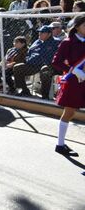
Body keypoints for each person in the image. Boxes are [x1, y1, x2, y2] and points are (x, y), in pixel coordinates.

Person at [52, 14, 85, 157]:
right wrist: (73, 70)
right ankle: (60, 144)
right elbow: (56, 62)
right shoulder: (68, 42)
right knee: (69, 112)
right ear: (77, 26)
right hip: (74, 82)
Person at [12, 26, 60, 98]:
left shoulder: (56, 42)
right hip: (33, 65)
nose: (39, 34)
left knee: (45, 70)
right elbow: (29, 52)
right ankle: (24, 90)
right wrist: (28, 59)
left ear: (49, 34)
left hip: (49, 65)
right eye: (39, 32)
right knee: (17, 67)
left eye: (42, 32)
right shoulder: (37, 41)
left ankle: (45, 95)